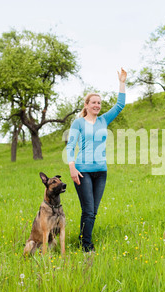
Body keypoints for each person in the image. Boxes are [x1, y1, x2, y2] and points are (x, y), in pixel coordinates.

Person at [66, 68, 127, 252]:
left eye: (99, 103)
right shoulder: (78, 123)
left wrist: (122, 82)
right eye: (93, 102)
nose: (97, 105)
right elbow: (70, 146)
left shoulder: (103, 120)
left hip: (101, 172)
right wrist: (72, 167)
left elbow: (120, 106)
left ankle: (83, 237)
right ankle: (86, 247)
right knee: (88, 210)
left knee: (93, 211)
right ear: (86, 105)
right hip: (82, 171)